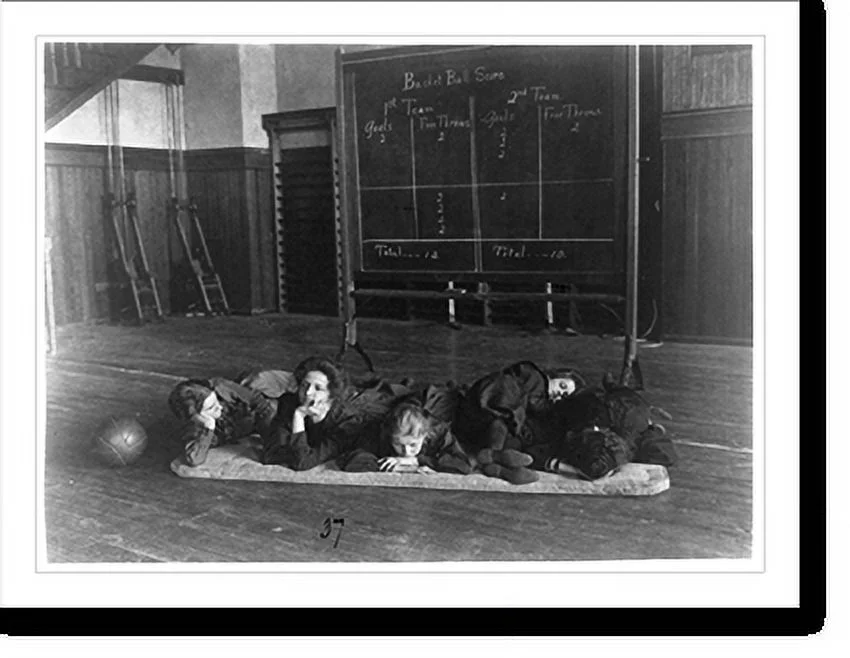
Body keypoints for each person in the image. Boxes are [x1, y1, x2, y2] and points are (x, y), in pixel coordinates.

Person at [261, 355, 411, 471]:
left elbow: (301, 462)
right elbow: (271, 454)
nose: (308, 393)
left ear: (330, 394)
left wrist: (299, 417)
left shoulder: (345, 422)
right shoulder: (289, 403)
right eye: (305, 385)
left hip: (371, 420)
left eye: (318, 388)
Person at [453, 360, 586, 485]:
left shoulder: (543, 406)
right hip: (485, 406)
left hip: (490, 427)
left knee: (517, 431)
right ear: (555, 376)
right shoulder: (534, 377)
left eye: (564, 395)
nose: (560, 392)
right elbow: (510, 390)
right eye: (562, 385)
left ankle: (499, 465)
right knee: (505, 412)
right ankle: (496, 456)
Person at [524, 374, 678, 480]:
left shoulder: (571, 433)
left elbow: (535, 451)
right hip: (613, 406)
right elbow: (666, 454)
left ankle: (609, 386)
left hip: (589, 406)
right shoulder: (635, 430)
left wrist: (560, 466)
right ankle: (609, 386)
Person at [339, 383, 473, 475]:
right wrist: (397, 467)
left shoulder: (438, 431)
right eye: (399, 444)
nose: (406, 451)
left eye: (413, 444)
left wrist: (417, 461)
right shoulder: (379, 431)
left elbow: (463, 465)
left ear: (425, 436)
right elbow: (353, 462)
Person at [168, 376, 277, 467]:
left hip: (252, 412)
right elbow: (195, 459)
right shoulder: (195, 429)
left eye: (216, 402)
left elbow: (259, 403)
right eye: (211, 408)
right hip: (236, 428)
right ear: (195, 417)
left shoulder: (222, 387)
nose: (219, 407)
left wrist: (270, 440)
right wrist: (209, 427)